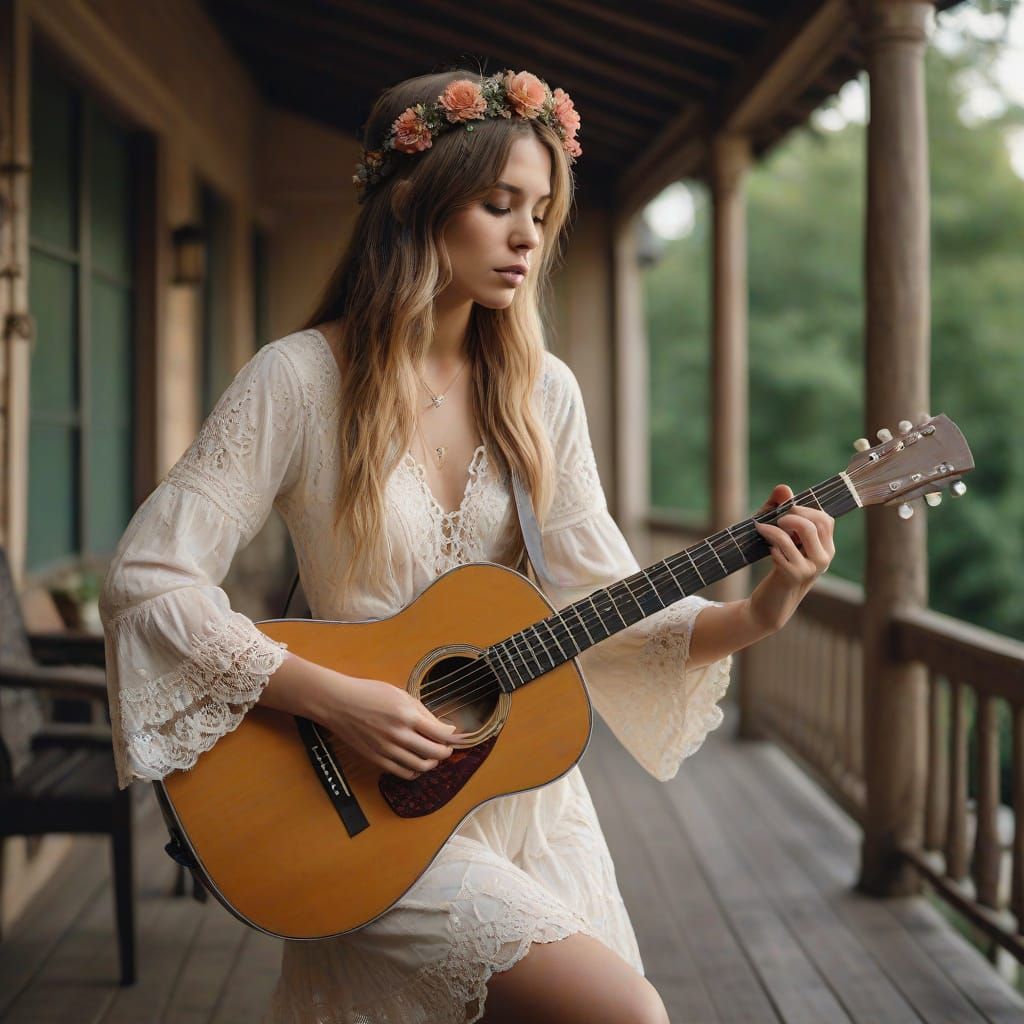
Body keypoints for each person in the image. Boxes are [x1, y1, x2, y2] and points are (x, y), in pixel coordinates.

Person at [99, 66, 835, 1024]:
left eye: (542, 210)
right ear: (415, 202)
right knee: (629, 1014)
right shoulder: (296, 381)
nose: (529, 234)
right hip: (353, 799)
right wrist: (335, 697)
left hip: (526, 802)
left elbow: (600, 604)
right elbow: (147, 580)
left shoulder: (542, 395)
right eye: (499, 204)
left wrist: (761, 609)